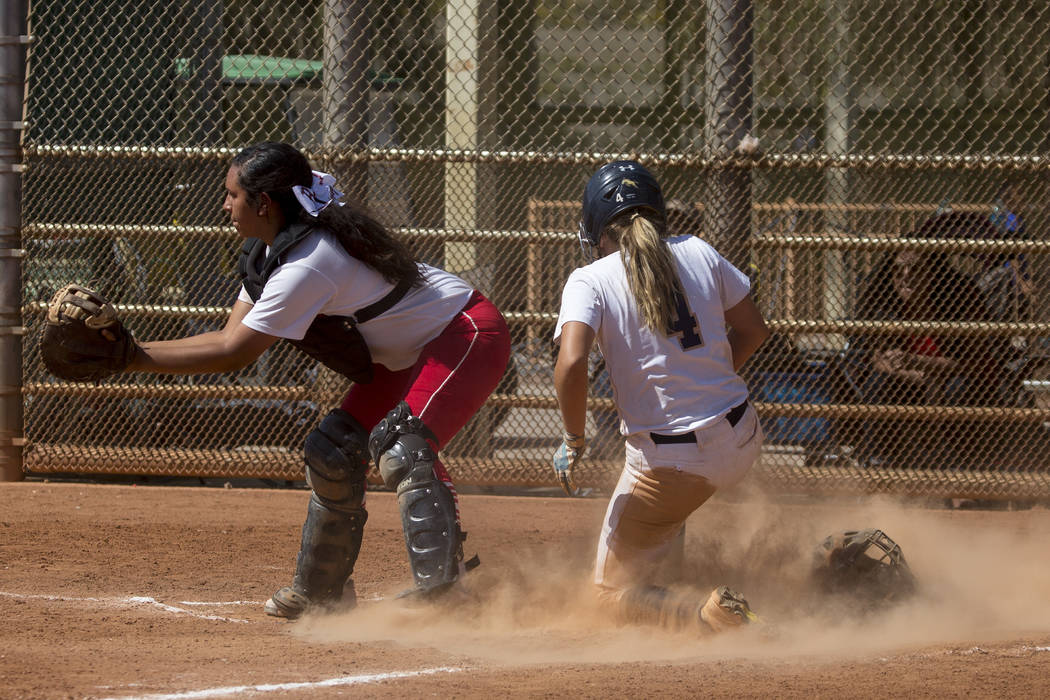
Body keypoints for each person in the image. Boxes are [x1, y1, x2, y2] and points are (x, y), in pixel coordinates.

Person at [125, 141, 512, 618]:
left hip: (465, 331)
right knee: (331, 453)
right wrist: (132, 353)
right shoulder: (269, 252)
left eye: (232, 196)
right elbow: (230, 333)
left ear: (264, 203)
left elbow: (233, 353)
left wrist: (130, 359)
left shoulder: (307, 263)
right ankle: (321, 595)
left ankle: (447, 593)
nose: (224, 205)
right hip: (405, 353)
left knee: (403, 447)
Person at [551, 161, 771, 635]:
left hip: (674, 464)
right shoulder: (698, 249)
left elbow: (570, 365)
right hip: (743, 434)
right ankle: (835, 558)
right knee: (668, 498)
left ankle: (705, 614)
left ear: (594, 228)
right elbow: (755, 329)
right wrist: (711, 379)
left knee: (605, 593)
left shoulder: (589, 278)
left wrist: (572, 437)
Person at [853, 212, 1006, 469]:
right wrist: (909, 372)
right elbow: (876, 358)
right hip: (911, 380)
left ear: (932, 273)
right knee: (878, 384)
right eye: (898, 270)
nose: (906, 276)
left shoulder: (956, 302)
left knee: (959, 390)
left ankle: (965, 473)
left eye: (915, 269)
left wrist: (918, 362)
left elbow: (973, 364)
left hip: (955, 379)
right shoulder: (889, 306)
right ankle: (878, 467)